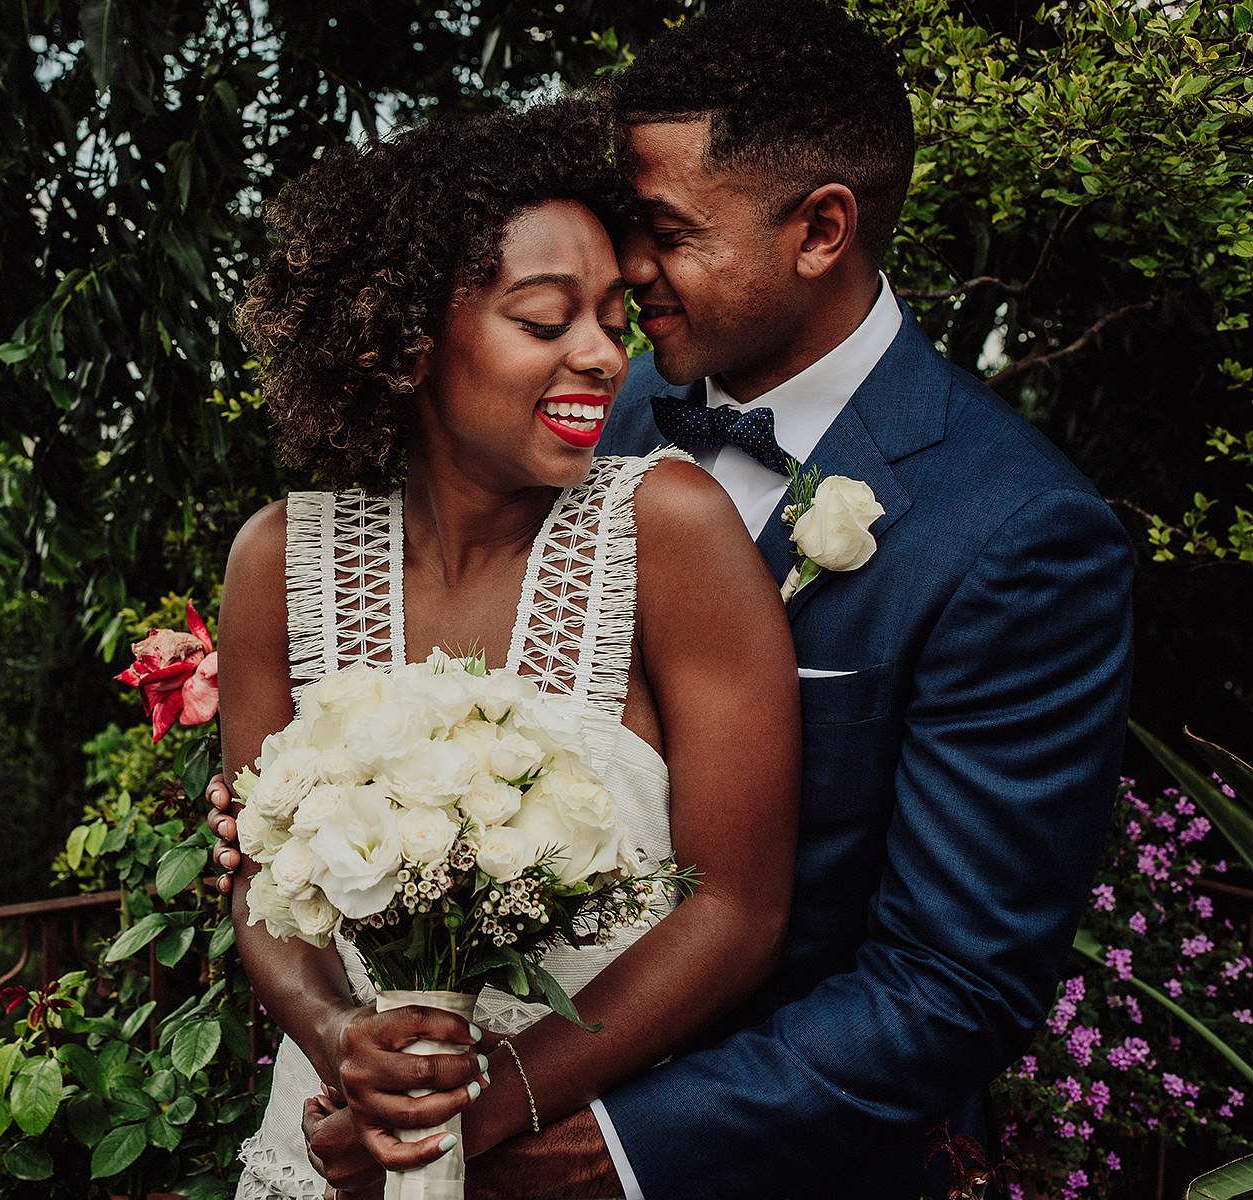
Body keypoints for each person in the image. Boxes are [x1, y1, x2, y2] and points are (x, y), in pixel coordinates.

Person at [211, 2, 1136, 1197]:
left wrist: (531, 1143)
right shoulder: (592, 416)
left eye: (663, 232)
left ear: (821, 231)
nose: (625, 284)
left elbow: (952, 982)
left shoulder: (1015, 530)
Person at [219, 99, 802, 1200]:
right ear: (406, 336)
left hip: (551, 1159)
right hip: (326, 1156)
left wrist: (455, 1122)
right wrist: (340, 1038)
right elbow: (260, 880)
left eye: (612, 315)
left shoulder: (667, 531)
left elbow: (738, 910)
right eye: (546, 320)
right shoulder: (274, 561)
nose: (604, 356)